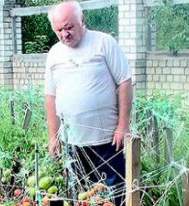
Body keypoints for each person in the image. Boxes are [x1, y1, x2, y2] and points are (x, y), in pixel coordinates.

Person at [44, 0, 132, 192]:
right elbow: (50, 96)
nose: (64, 34)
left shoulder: (104, 43)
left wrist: (123, 126)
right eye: (59, 30)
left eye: (69, 27)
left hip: (108, 141)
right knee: (78, 198)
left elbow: (124, 82)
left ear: (82, 20)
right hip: (72, 142)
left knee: (114, 194)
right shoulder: (54, 54)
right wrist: (53, 136)